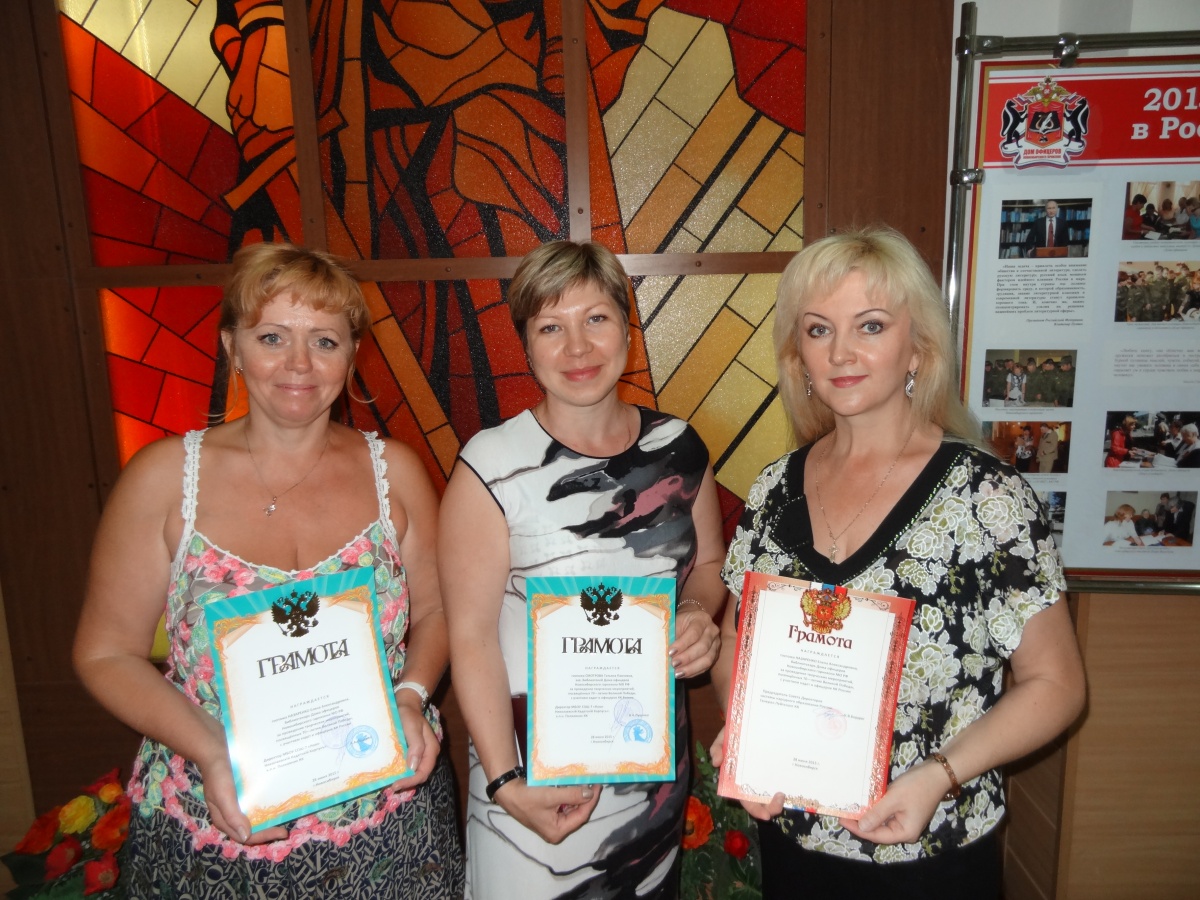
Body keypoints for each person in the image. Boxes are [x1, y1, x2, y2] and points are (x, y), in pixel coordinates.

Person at [73, 243, 464, 897]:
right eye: (273, 337)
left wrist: (412, 695)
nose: (299, 364)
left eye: (324, 341)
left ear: (352, 354)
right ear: (233, 346)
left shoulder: (394, 471)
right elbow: (105, 653)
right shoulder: (164, 479)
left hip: (388, 821)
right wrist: (211, 750)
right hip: (215, 825)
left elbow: (438, 609)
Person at [709, 226, 1085, 899]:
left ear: (918, 347)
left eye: (871, 326)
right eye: (819, 330)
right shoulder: (773, 489)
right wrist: (743, 735)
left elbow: (1056, 685)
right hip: (794, 840)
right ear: (799, 356)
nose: (841, 353)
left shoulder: (986, 499)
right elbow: (739, 639)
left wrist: (940, 774)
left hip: (930, 850)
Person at [438, 240, 727, 898]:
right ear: (526, 344)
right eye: (551, 327)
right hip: (532, 779)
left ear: (627, 326)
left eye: (596, 319)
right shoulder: (491, 464)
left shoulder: (679, 447)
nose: (577, 348)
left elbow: (708, 565)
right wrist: (505, 782)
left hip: (649, 775)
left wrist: (695, 611)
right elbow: (471, 637)